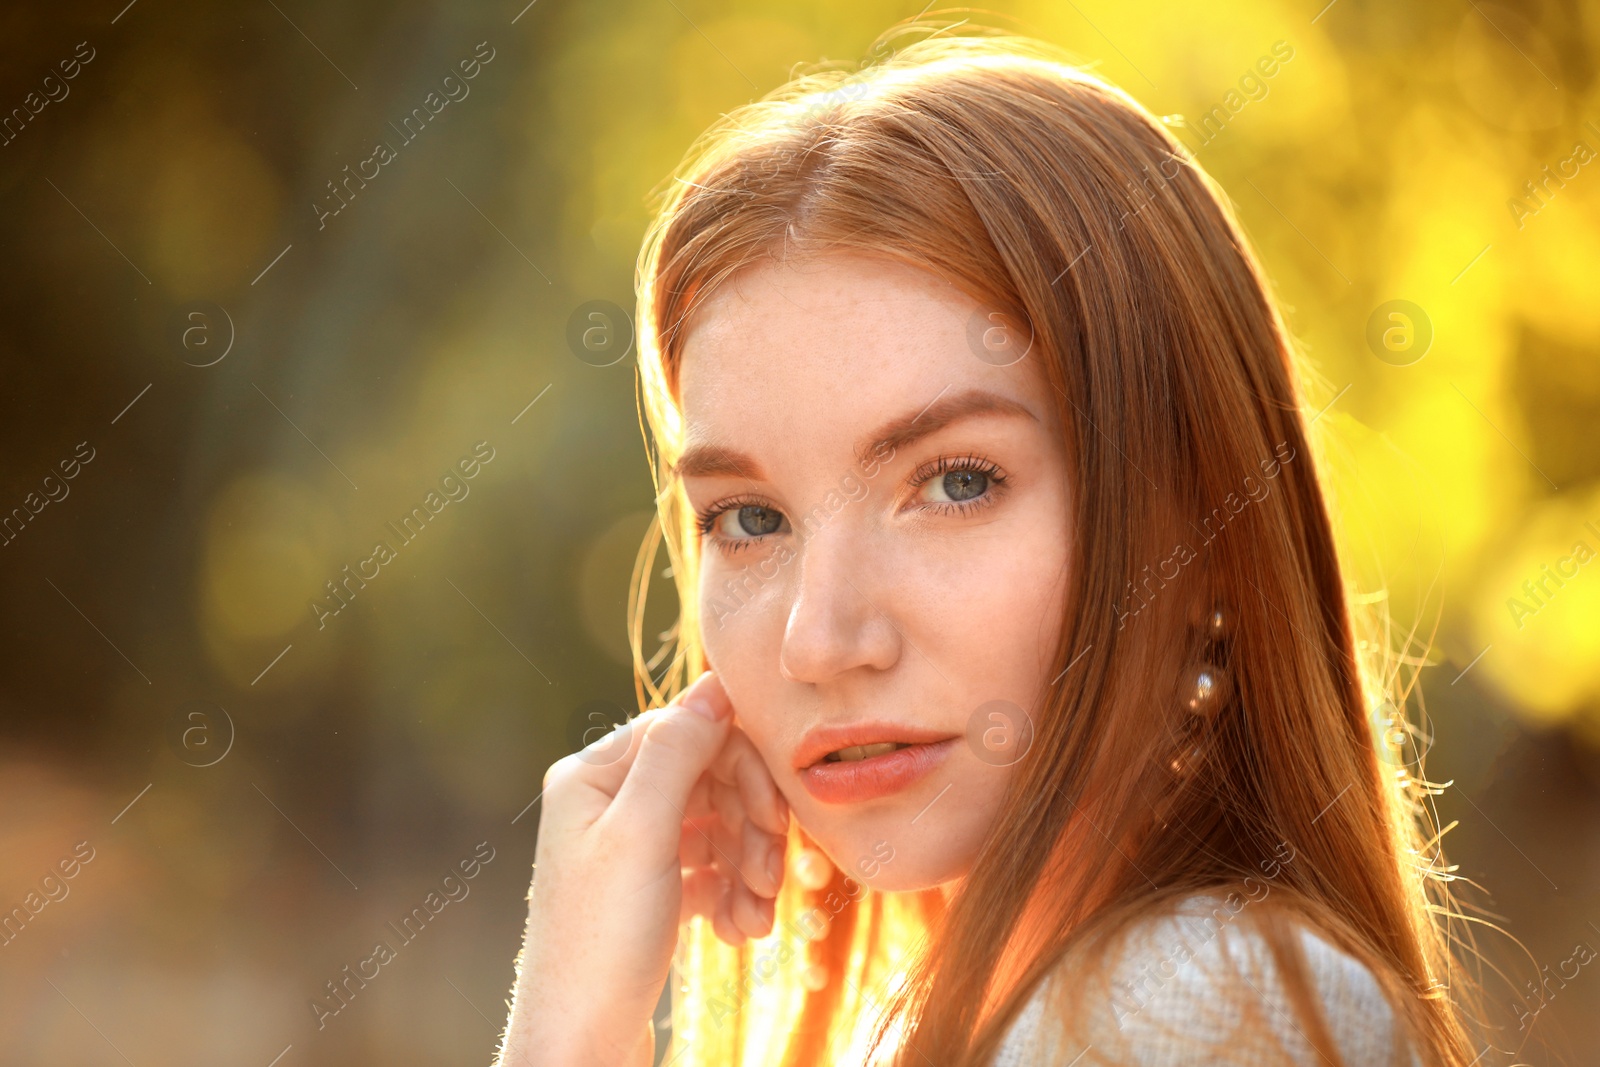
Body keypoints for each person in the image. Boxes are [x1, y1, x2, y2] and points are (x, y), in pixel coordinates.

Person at [496, 26, 1482, 1067]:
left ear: (1199, 528)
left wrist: (565, 1039)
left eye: (956, 482)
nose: (821, 639)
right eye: (750, 517)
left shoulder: (1194, 1005)